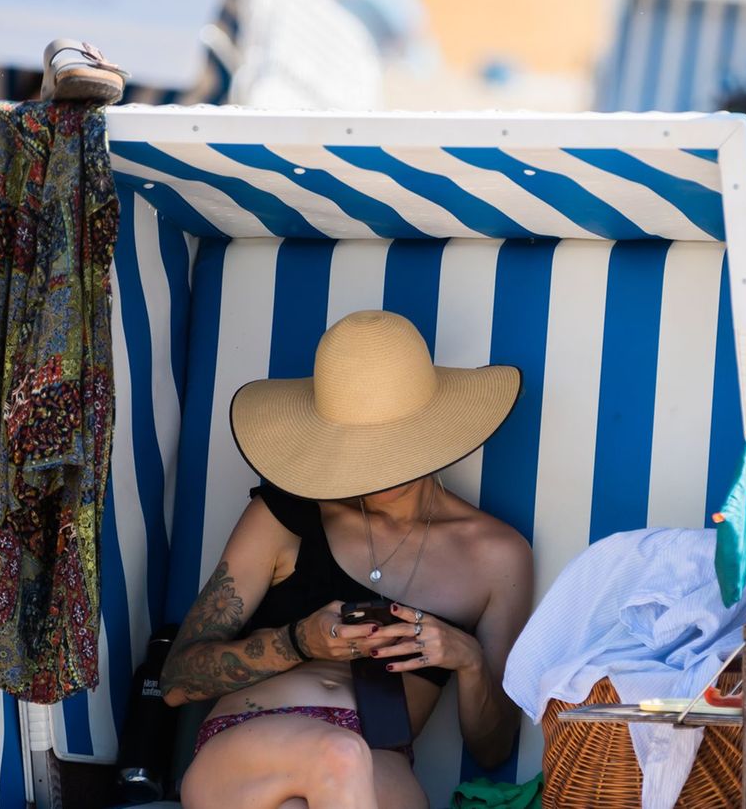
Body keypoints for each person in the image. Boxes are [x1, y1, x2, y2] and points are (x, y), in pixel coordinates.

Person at [161, 311, 533, 809]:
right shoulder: (284, 516)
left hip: (381, 760)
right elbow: (177, 681)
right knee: (339, 756)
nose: (374, 469)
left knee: (343, 769)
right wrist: (297, 641)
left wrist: (466, 659)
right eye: (356, 449)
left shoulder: (497, 557)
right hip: (252, 744)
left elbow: (492, 749)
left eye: (387, 445)